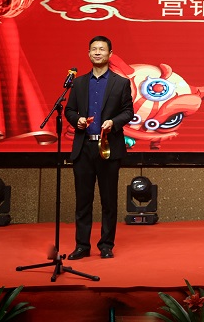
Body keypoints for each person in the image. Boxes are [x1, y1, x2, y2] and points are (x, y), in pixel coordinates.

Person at [64, 36, 133, 260]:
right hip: (83, 147)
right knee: (83, 201)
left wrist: (113, 122)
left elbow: (128, 112)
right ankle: (82, 246)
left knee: (108, 200)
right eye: (93, 49)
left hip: (108, 147)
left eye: (102, 49)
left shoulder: (120, 83)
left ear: (110, 54)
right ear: (88, 53)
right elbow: (69, 110)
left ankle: (106, 245)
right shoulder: (79, 83)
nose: (97, 52)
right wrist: (77, 120)